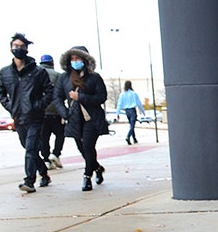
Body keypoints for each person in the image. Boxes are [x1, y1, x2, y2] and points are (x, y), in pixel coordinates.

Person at [0, 33, 54, 193]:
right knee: (30, 148)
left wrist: (39, 105)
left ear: (27, 49)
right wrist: (10, 106)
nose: (18, 49)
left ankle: (29, 181)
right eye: (16, 46)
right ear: (10, 48)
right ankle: (44, 173)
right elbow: (0, 92)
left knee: (30, 147)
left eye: (22, 46)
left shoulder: (38, 71)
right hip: (18, 117)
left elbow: (49, 91)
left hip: (35, 116)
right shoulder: (5, 72)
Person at [54, 46, 108, 192]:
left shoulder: (94, 77)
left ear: (85, 59)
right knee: (82, 148)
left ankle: (87, 176)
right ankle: (97, 167)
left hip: (92, 118)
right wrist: (64, 113)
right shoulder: (63, 78)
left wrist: (81, 97)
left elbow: (102, 97)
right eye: (72, 59)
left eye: (78, 58)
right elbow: (57, 98)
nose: (75, 61)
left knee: (88, 146)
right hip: (74, 118)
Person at [38, 54, 65, 169]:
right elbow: (62, 93)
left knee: (44, 137)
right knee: (60, 134)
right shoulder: (58, 76)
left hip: (41, 111)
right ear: (52, 63)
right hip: (55, 111)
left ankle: (46, 159)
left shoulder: (36, 74)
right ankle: (55, 153)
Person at [116, 80, 145, 145]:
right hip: (132, 110)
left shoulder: (122, 94)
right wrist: (143, 111)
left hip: (126, 111)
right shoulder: (133, 93)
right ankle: (128, 136)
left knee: (131, 125)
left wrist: (118, 113)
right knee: (132, 125)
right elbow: (139, 103)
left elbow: (119, 104)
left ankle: (134, 139)